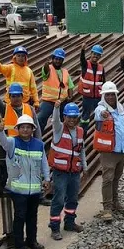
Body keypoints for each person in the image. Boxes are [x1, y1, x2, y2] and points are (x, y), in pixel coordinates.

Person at [0, 114, 50, 249]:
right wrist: (0, 131)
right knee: (20, 217)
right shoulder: (12, 142)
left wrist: (47, 178)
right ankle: (20, 246)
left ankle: (32, 241)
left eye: (28, 127)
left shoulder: (39, 144)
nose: (25, 130)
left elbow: (44, 162)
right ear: (18, 129)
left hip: (34, 190)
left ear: (32, 129)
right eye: (23, 127)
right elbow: (3, 143)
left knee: (32, 217)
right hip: (18, 190)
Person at [47, 102, 87, 240]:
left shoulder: (80, 131)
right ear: (64, 117)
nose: (71, 119)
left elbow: (81, 150)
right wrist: (56, 107)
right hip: (60, 172)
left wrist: (85, 167)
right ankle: (54, 227)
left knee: (73, 198)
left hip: (74, 172)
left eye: (74, 117)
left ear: (77, 117)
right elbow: (55, 120)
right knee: (58, 199)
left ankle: (69, 223)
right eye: (69, 117)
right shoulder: (59, 129)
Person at [94, 81, 124, 221]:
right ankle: (107, 208)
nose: (110, 97)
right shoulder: (101, 108)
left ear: (116, 95)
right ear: (104, 96)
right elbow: (98, 114)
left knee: (116, 177)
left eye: (112, 94)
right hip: (108, 151)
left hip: (121, 150)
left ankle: (115, 202)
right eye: (107, 95)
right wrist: (103, 114)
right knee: (108, 179)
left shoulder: (122, 108)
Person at [38, 48, 75, 131]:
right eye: (56, 59)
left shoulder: (65, 71)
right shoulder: (48, 69)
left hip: (62, 102)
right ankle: (38, 137)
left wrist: (70, 96)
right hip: (49, 101)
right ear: (53, 59)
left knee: (65, 121)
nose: (58, 61)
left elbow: (70, 86)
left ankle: (63, 137)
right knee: (41, 118)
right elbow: (45, 71)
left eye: (60, 59)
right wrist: (46, 64)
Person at [0, 45, 39, 110]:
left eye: (23, 56)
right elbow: (1, 68)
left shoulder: (29, 71)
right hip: (10, 103)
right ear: (15, 57)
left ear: (25, 58)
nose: (21, 58)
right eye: (18, 56)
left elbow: (33, 88)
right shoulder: (11, 68)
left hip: (25, 102)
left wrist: (36, 102)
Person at [79, 43, 105, 127]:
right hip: (87, 96)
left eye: (98, 55)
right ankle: (83, 133)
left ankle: (99, 132)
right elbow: (82, 59)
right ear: (91, 54)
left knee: (99, 115)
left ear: (100, 56)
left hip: (98, 97)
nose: (96, 56)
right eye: (94, 54)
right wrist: (82, 50)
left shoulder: (101, 67)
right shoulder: (85, 64)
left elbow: (103, 81)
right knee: (85, 117)